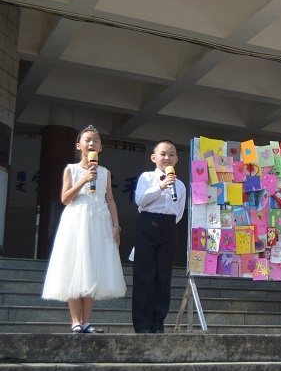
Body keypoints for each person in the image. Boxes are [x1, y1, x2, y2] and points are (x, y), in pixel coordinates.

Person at [42, 125, 126, 333]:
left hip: (99, 222)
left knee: (92, 269)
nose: (91, 143)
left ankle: (87, 321)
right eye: (87, 140)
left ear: (101, 147)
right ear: (78, 145)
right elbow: (65, 198)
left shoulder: (105, 172)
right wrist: (84, 179)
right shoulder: (70, 169)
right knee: (74, 267)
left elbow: (110, 200)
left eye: (96, 140)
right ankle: (75, 321)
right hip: (76, 221)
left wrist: (116, 225)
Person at [132, 140, 186, 333]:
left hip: (169, 226)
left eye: (171, 154)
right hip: (148, 222)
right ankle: (142, 324)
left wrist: (167, 224)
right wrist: (161, 186)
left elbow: (179, 212)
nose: (167, 158)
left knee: (163, 276)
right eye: (163, 154)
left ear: (177, 159)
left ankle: (158, 323)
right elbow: (140, 201)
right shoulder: (147, 177)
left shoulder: (180, 185)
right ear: (153, 157)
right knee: (144, 275)